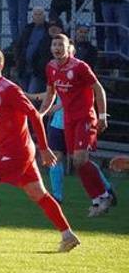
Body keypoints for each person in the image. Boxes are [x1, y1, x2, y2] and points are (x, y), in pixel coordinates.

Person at [0, 48, 79, 252]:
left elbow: (35, 116)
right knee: (38, 193)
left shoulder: (9, 89)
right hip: (13, 151)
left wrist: (45, 149)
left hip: (17, 151)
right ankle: (67, 235)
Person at [39, 34, 114, 216]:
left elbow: (99, 89)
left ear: (68, 48)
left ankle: (103, 195)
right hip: (68, 119)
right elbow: (50, 94)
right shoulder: (50, 67)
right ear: (51, 48)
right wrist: (39, 114)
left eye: (60, 45)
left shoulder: (79, 66)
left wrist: (102, 116)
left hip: (85, 117)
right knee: (78, 162)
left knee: (80, 159)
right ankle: (99, 199)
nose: (57, 48)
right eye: (54, 44)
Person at [14, 7, 51, 93]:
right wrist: (18, 60)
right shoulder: (27, 29)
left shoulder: (48, 30)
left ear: (45, 16)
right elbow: (19, 46)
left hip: (37, 70)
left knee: (32, 93)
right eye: (36, 14)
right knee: (23, 94)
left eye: (40, 14)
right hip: (24, 67)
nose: (38, 17)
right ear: (32, 17)